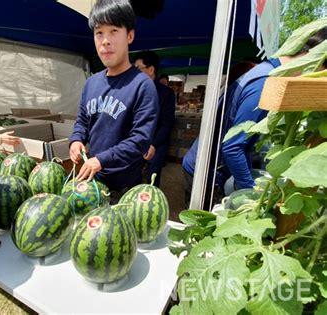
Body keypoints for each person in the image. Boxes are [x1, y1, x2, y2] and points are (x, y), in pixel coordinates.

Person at [182, 24, 327, 207]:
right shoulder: (265, 83)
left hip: (208, 165)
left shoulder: (266, 69)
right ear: (317, 61)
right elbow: (232, 147)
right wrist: (252, 195)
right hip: (204, 171)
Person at [69, 0, 159, 203]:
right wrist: (76, 140)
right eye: (99, 33)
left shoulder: (142, 86)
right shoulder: (91, 83)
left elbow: (140, 140)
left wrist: (101, 160)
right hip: (92, 181)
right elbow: (83, 121)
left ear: (130, 36)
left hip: (125, 187)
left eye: (114, 31)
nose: (105, 41)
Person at [134, 50, 176, 187]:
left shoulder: (166, 94)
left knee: (152, 180)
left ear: (151, 69)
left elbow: (167, 123)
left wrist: (154, 144)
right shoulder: (134, 91)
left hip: (157, 143)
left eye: (138, 69)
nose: (134, 73)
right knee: (133, 178)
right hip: (137, 143)